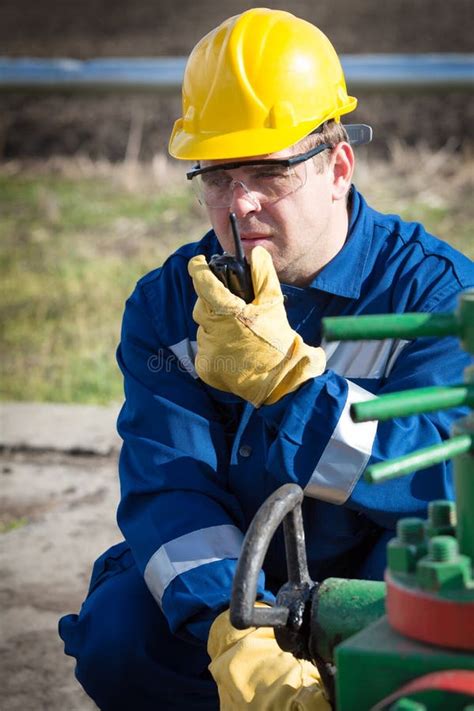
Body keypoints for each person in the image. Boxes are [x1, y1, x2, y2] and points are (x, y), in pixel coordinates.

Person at [59, 8, 474, 710]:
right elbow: (172, 490)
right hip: (236, 578)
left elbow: (439, 481)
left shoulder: (435, 292)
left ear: (338, 166)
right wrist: (236, 629)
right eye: (218, 176)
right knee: (120, 632)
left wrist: (295, 389)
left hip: (374, 565)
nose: (240, 202)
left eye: (268, 171)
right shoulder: (169, 305)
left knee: (428, 611)